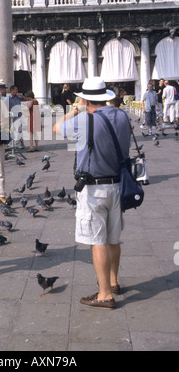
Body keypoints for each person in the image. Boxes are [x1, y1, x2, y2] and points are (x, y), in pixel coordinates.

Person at [53, 77, 131, 309]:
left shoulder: (84, 120)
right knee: (113, 239)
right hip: (118, 186)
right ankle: (114, 282)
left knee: (97, 241)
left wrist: (74, 111)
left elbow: (56, 128)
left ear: (85, 99)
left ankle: (105, 294)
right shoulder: (122, 116)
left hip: (93, 188)